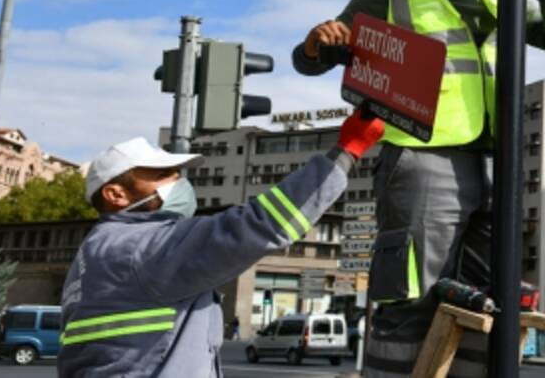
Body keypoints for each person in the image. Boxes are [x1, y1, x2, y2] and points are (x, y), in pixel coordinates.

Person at [294, 0, 545, 378]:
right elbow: (318, 55)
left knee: (484, 304)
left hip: (496, 165)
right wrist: (315, 44)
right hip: (423, 159)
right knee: (411, 296)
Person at [57, 118, 382, 377]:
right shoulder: (139, 247)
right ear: (116, 195)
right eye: (161, 174)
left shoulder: (95, 251)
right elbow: (258, 225)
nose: (178, 181)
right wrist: (347, 151)